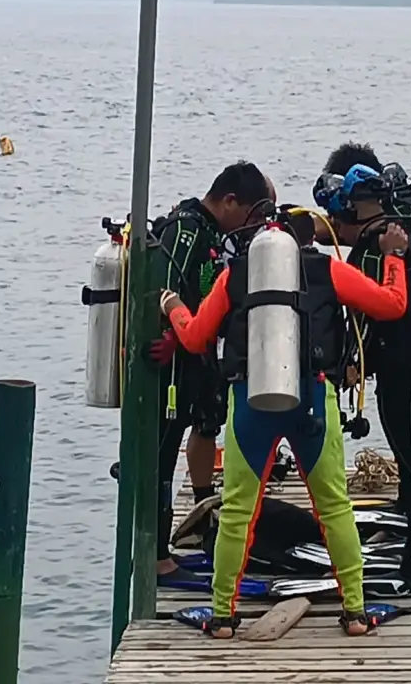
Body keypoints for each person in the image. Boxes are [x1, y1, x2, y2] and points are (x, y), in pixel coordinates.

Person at [159, 210, 410, 638]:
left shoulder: (236, 274)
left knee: (237, 511)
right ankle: (354, 613)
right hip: (313, 399)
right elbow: (392, 305)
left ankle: (222, 617)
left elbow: (196, 336)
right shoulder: (327, 269)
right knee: (334, 507)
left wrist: (173, 306)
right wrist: (395, 256)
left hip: (250, 400)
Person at [138, 160, 276, 589]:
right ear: (229, 201)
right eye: (249, 212)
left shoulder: (211, 232)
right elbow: (162, 291)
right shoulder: (186, 230)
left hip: (192, 357)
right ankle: (157, 559)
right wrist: (171, 335)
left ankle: (166, 548)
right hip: (169, 367)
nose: (250, 224)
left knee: (176, 443)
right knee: (159, 461)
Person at [318, 143, 411, 591]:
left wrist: (350, 362)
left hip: (403, 370)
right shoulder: (410, 232)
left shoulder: (374, 247)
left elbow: (375, 311)